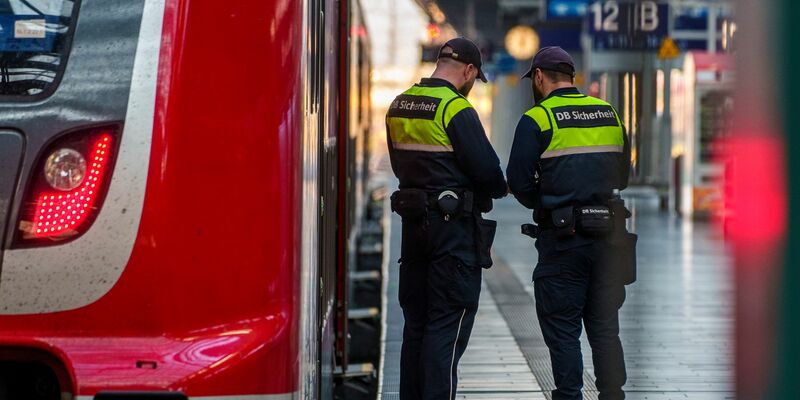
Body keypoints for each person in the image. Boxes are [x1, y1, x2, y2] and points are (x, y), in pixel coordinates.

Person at [506, 46, 632, 400]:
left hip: (563, 241)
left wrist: (544, 204)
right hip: (608, 238)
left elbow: (517, 180)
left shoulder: (538, 118)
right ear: (572, 76)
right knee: (605, 327)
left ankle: (569, 395)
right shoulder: (608, 112)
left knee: (563, 330)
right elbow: (623, 174)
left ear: (540, 77)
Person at [386, 37, 507, 400]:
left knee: (416, 327)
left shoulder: (399, 104)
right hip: (452, 234)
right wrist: (497, 188)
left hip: (413, 229)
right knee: (446, 326)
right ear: (469, 71)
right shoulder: (455, 109)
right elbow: (488, 172)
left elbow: (398, 165)